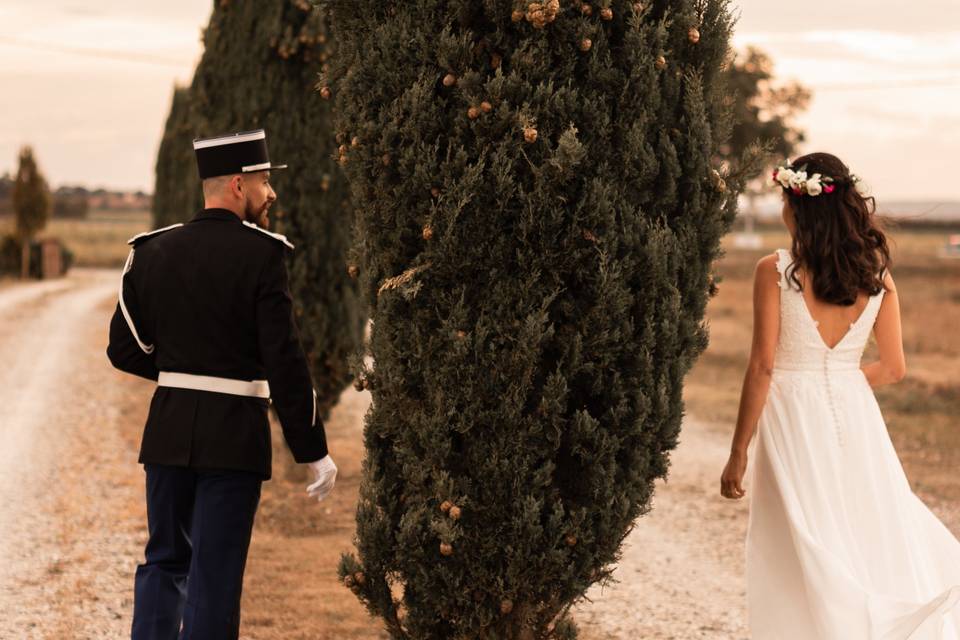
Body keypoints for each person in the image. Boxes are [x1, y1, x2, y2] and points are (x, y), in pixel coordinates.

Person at [106, 129, 338, 640]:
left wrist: (181, 371)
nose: (271, 192)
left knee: (164, 564)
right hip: (232, 438)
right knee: (214, 576)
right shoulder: (263, 255)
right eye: (262, 181)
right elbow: (285, 361)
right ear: (237, 185)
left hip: (167, 432)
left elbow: (123, 348)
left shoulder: (152, 251)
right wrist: (313, 450)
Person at [720, 152, 960, 638]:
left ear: (797, 206)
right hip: (856, 418)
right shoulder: (878, 276)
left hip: (791, 419)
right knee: (865, 528)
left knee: (796, 541)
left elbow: (763, 366)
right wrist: (838, 382)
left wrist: (737, 452)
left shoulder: (776, 270)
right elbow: (894, 369)